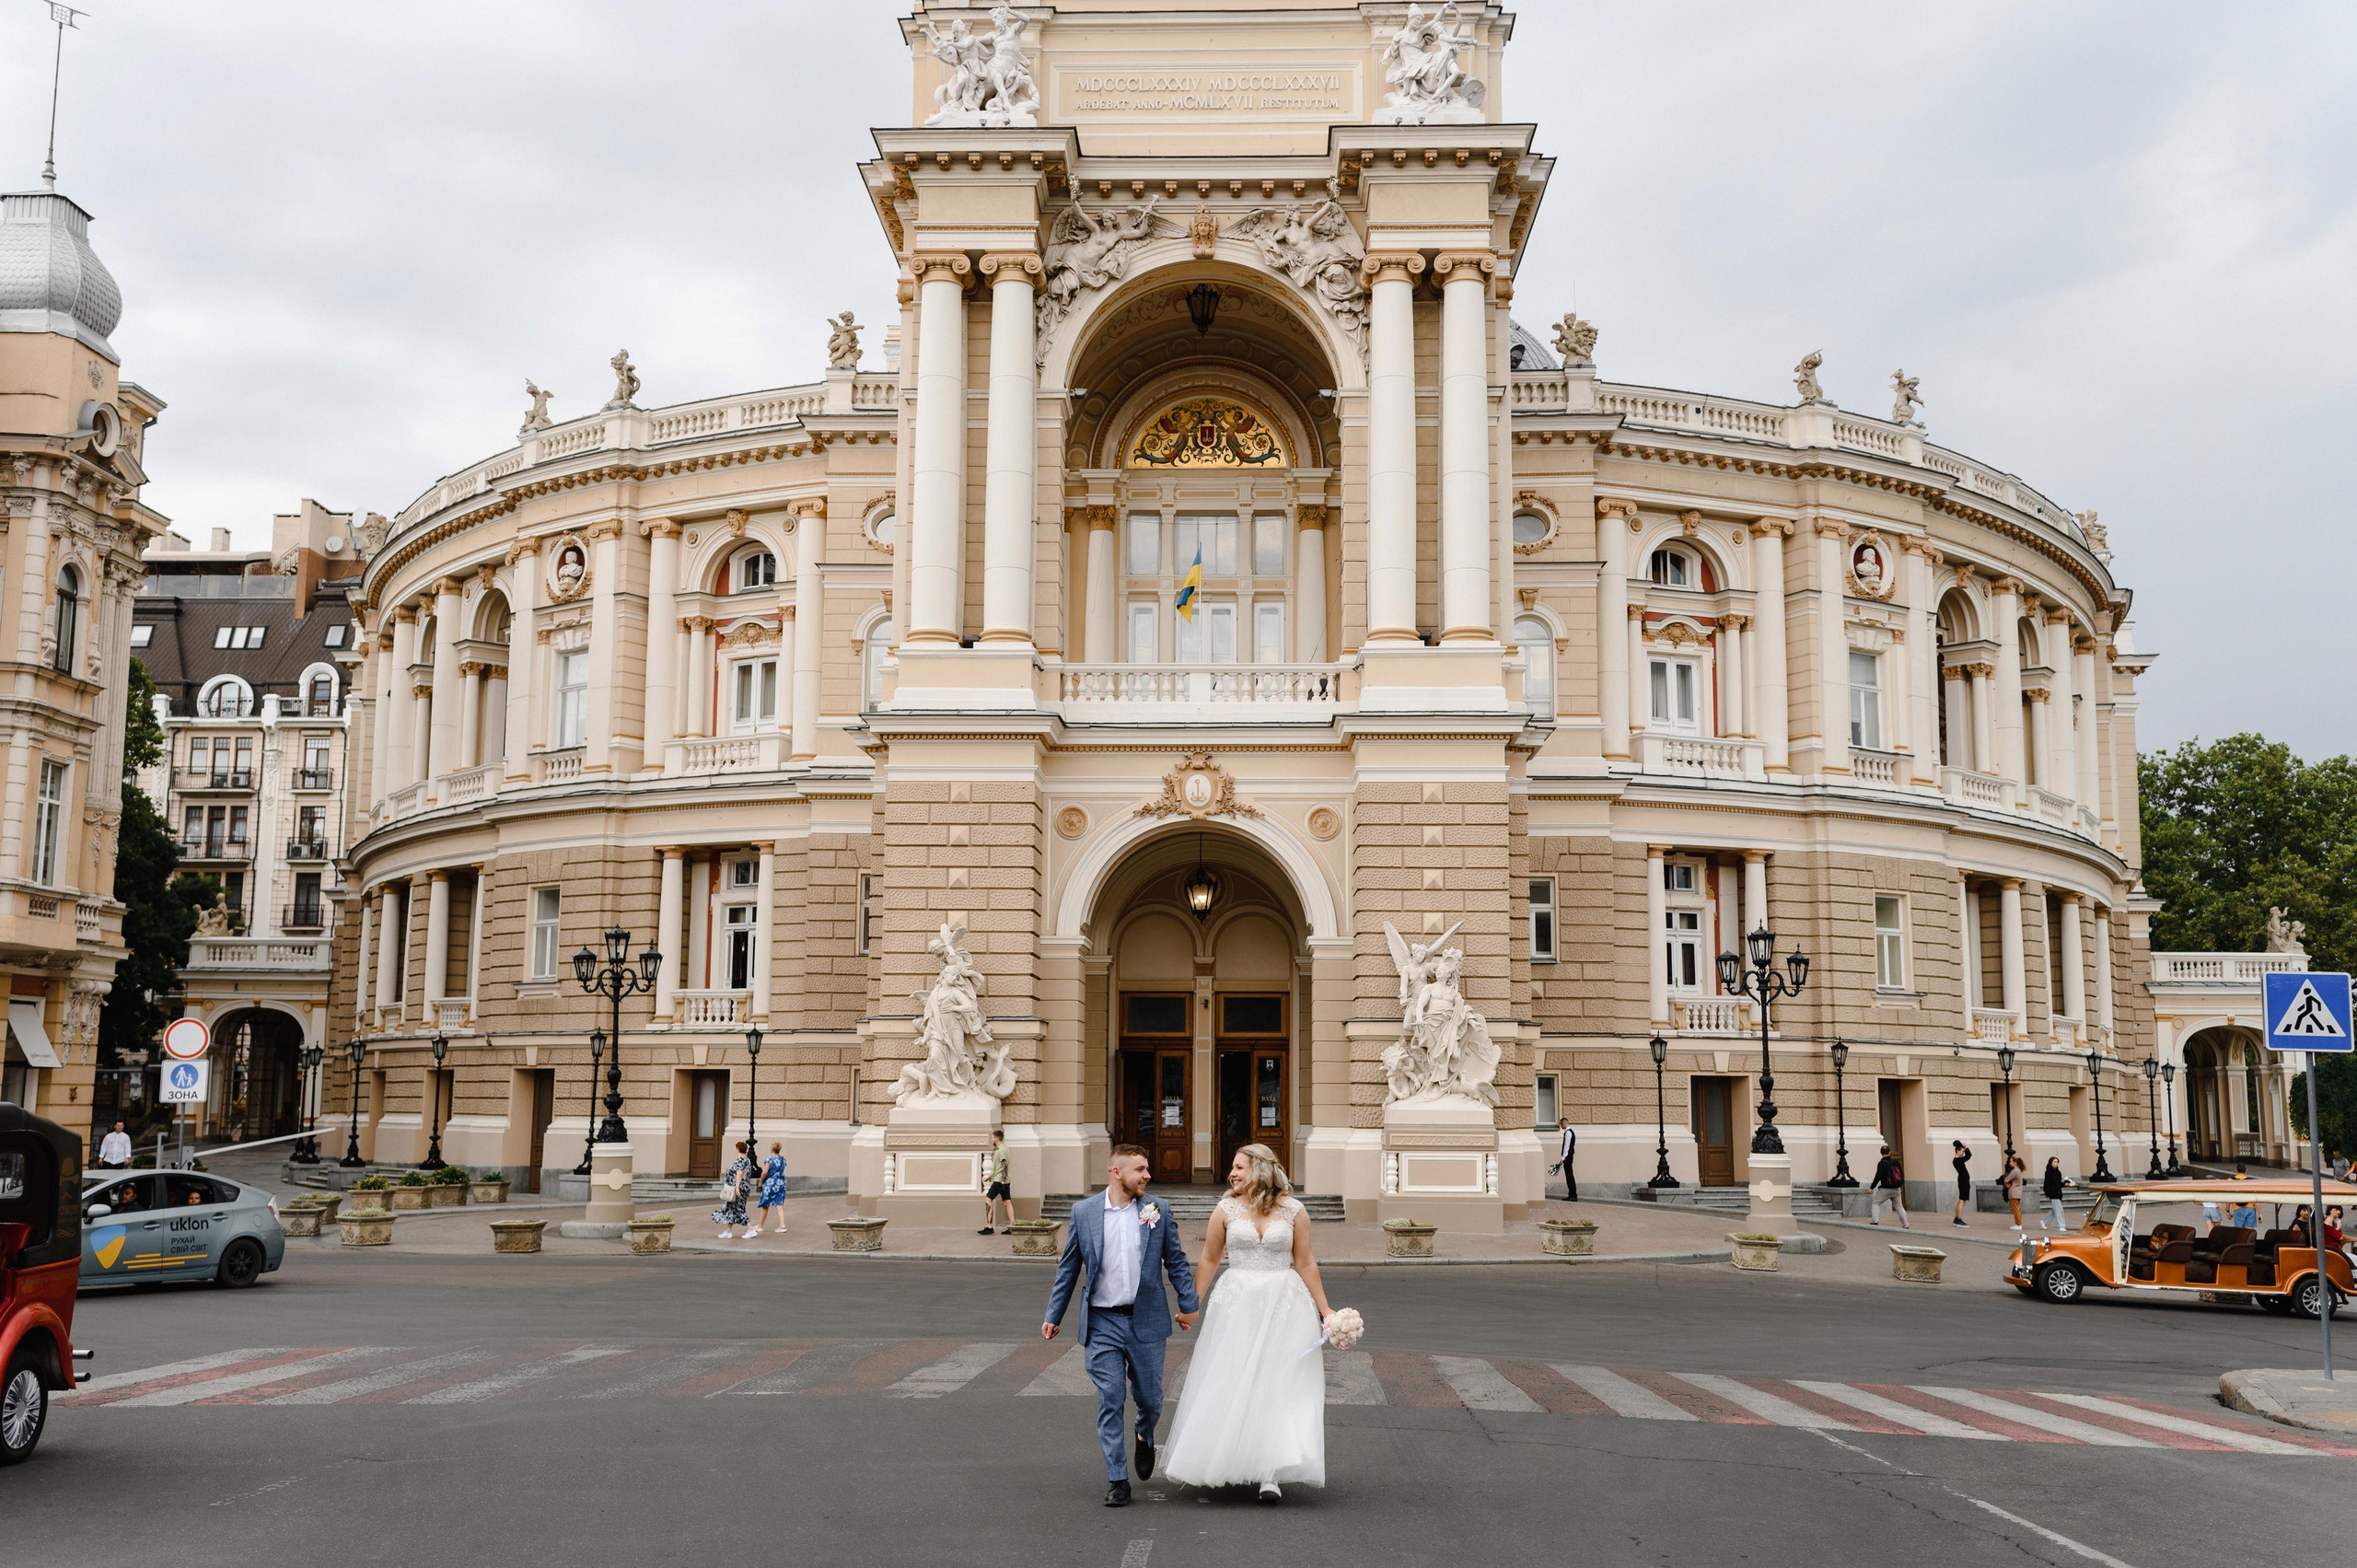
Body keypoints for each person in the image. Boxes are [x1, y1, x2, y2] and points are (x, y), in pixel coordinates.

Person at [1162, 1144, 1331, 1504]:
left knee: (1278, 1383)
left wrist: (1325, 1311)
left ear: (1262, 1169)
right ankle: (1223, 1459)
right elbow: (1209, 1259)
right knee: (1231, 1378)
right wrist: (1192, 1306)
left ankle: (1270, 1473)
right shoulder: (1224, 1209)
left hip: (1284, 1304)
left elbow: (1305, 1263)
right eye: (1232, 1168)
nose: (1232, 1174)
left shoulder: (1294, 1211)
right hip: (1236, 1302)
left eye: (1240, 1167)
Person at [1042, 1145, 1202, 1508]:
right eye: (1141, 1170)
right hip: (1102, 1322)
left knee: (1150, 1398)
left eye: (1148, 1169)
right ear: (1117, 1172)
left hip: (1146, 1320)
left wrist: (1189, 1304)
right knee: (1111, 1397)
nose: (1148, 1176)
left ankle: (1144, 1433)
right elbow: (1068, 1268)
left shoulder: (1155, 1210)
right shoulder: (1084, 1213)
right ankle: (1117, 1479)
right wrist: (1054, 1314)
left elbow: (1175, 1261)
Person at [711, 1140, 754, 1240]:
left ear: (738, 1149)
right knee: (731, 1208)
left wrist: (737, 1188)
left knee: (739, 1209)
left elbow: (739, 1174)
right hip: (744, 1187)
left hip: (738, 1188)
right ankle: (728, 1231)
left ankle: (751, 1229)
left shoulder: (740, 1160)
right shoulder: (747, 1160)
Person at [746, 1141, 787, 1238]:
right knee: (779, 1204)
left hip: (770, 1184)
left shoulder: (769, 1160)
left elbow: (764, 1172)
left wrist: (760, 1182)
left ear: (772, 1149)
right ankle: (782, 1225)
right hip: (781, 1184)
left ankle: (760, 1225)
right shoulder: (783, 1159)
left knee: (765, 1205)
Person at [980, 1129, 1013, 1235]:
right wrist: (990, 1176)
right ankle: (1013, 1226)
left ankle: (989, 1227)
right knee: (1007, 1202)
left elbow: (1004, 1165)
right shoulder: (1005, 1149)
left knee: (988, 1199)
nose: (991, 1139)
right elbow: (1000, 1167)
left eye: (992, 1137)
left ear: (997, 1138)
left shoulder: (1001, 1151)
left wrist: (1002, 1181)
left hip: (1000, 1181)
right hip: (1003, 1180)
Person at [1868, 1145, 1908, 1227]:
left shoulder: (1881, 1163)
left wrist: (1871, 1187)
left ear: (1881, 1153)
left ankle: (1875, 1221)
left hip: (1885, 1189)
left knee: (1876, 1202)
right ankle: (1906, 1224)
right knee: (1899, 1206)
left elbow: (1878, 1176)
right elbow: (1901, 1174)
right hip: (1896, 1189)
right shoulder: (1896, 1162)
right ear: (1889, 1152)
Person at [1550, 1117, 1577, 1202]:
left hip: (1567, 1158)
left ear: (1564, 1123)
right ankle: (1572, 1194)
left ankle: (1573, 1195)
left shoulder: (1568, 1133)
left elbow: (1566, 1146)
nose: (1561, 1126)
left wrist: (1563, 1158)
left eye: (1561, 1124)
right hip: (1569, 1157)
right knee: (1570, 1176)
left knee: (1569, 1177)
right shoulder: (1570, 1132)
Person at [1950, 1141, 1974, 1227]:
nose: (1964, 1153)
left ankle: (1956, 1218)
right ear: (1958, 1151)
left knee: (1961, 1200)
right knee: (1962, 1200)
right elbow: (1969, 1156)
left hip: (1962, 1180)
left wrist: (1963, 1147)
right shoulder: (1958, 1160)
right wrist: (1965, 1147)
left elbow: (1967, 1156)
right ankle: (1959, 1220)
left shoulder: (1957, 1160)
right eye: (1962, 1151)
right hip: (1963, 1181)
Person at [2040, 1156, 2067, 1232]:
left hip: (2058, 1193)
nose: (2056, 1164)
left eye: (2057, 1162)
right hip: (2053, 1194)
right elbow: (2046, 1184)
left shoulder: (2058, 1173)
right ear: (2050, 1163)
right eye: (2054, 1162)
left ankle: (2045, 1222)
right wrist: (2047, 1194)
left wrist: (2065, 1184)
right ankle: (2060, 1226)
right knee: (2059, 1210)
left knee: (2055, 1210)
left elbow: (2059, 1183)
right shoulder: (2048, 1172)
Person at [2000, 1154, 2026, 1228]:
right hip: (2018, 1192)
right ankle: (2018, 1223)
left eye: (2011, 1161)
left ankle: (2018, 1224)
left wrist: (2006, 1183)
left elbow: (2007, 1179)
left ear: (2015, 1162)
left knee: (2015, 1209)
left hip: (2014, 1192)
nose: (2010, 1163)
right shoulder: (2019, 1171)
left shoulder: (2015, 1171)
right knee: (2017, 1208)